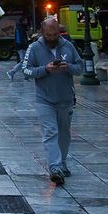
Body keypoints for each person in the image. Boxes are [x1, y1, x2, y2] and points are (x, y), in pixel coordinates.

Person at [22, 17, 83, 185]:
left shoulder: (68, 46)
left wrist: (68, 67)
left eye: (55, 34)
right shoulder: (34, 48)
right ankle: (55, 167)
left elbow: (80, 67)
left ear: (59, 32)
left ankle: (62, 163)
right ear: (42, 32)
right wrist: (45, 69)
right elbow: (26, 70)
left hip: (65, 99)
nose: (52, 38)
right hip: (44, 99)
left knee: (64, 134)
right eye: (48, 35)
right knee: (50, 132)